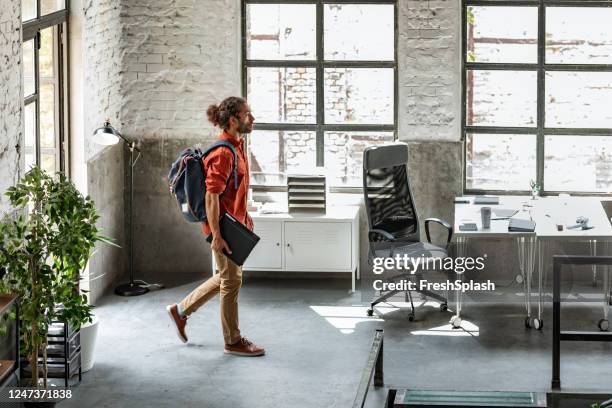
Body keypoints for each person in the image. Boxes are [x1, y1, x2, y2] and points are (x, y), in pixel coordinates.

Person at [166, 96, 264, 357]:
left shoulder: (237, 146)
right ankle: (232, 340)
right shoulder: (222, 153)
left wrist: (245, 217)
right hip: (222, 228)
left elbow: (236, 191)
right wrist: (218, 237)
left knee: (227, 278)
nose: (251, 118)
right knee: (231, 282)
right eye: (247, 114)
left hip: (235, 224)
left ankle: (181, 310)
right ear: (233, 120)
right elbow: (211, 197)